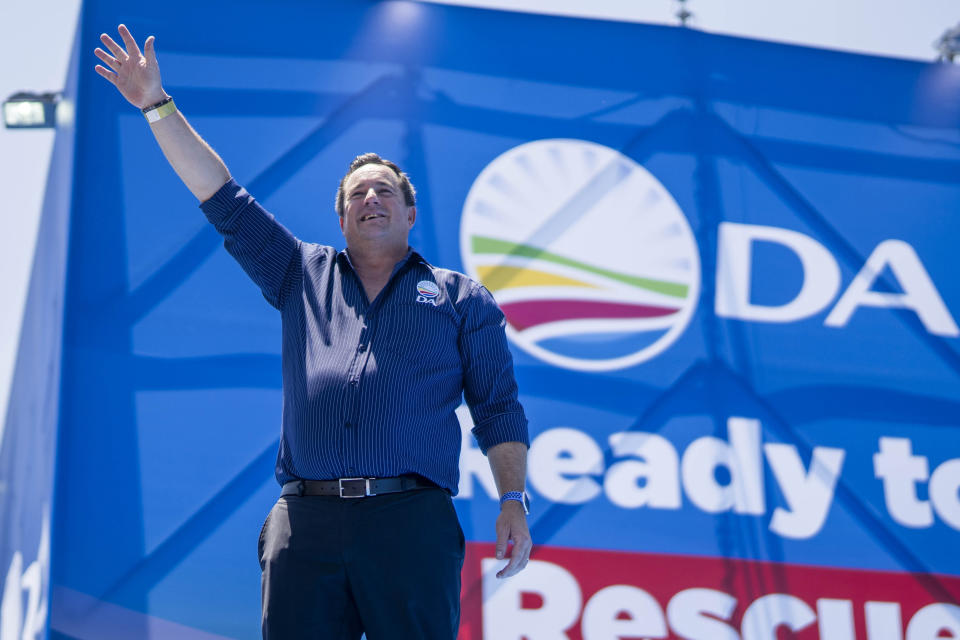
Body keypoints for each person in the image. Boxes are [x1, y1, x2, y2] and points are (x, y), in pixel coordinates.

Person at [94, 24, 532, 640]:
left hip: (411, 519)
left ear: (410, 213)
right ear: (342, 215)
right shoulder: (299, 271)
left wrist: (513, 500)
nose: (370, 198)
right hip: (305, 520)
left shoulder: (463, 299)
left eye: (385, 190)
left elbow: (498, 409)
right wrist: (156, 106)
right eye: (357, 193)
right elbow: (221, 195)